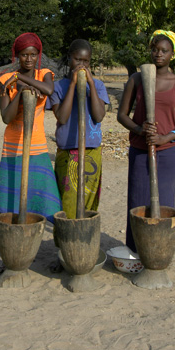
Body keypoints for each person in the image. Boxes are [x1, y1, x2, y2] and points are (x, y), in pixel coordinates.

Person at [117, 30, 175, 253]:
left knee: (164, 201)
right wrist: (139, 130)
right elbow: (122, 115)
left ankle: (158, 250)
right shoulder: (137, 79)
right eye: (155, 49)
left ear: (173, 55)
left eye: (164, 51)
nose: (158, 54)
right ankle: (136, 250)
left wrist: (164, 138)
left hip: (168, 152)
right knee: (138, 201)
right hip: (140, 149)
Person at [0, 32, 62, 224]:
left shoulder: (44, 74)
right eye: (24, 55)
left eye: (33, 55)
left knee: (42, 198)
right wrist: (20, 91)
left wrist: (22, 81)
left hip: (37, 144)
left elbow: (48, 90)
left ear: (38, 55)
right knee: (14, 201)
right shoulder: (6, 80)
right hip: (13, 145)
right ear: (17, 56)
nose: (29, 59)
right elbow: (6, 117)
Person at [47, 39, 110, 220]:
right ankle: (64, 245)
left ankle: (83, 241)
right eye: (77, 60)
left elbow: (99, 116)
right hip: (68, 151)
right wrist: (74, 84)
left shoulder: (97, 85)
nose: (81, 65)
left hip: (91, 150)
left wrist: (89, 84)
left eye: (86, 61)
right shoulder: (58, 87)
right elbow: (62, 117)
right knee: (67, 203)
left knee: (87, 202)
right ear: (69, 60)